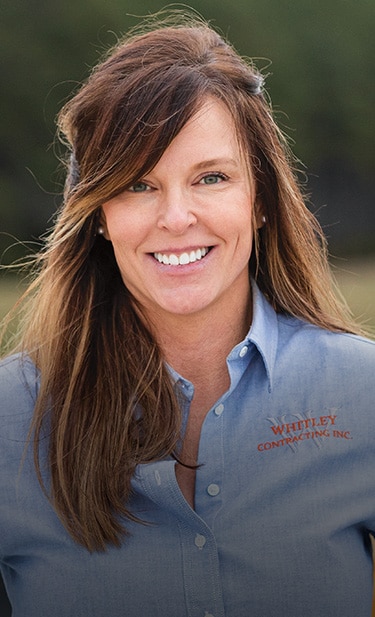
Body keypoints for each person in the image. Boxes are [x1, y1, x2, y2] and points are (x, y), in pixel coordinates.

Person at [1, 11, 375, 617]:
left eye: (211, 177)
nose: (176, 217)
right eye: (138, 185)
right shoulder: (9, 417)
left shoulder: (362, 392)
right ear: (98, 214)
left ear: (260, 200)